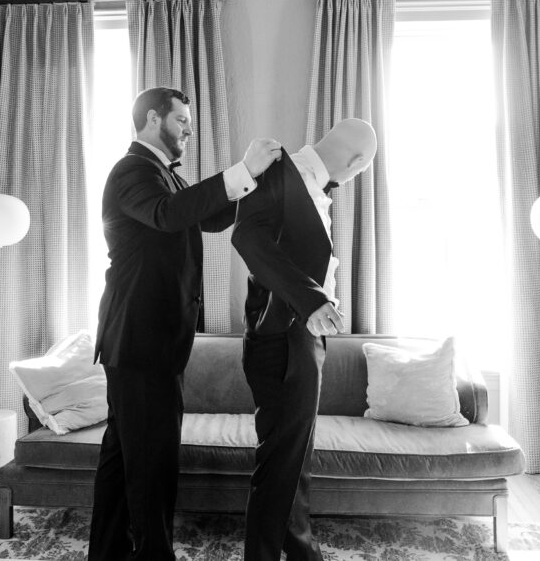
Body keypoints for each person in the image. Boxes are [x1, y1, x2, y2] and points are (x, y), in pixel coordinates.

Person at [89, 86, 282, 560]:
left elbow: (206, 216)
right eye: (182, 121)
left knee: (124, 455)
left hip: (150, 342)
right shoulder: (132, 170)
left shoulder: (164, 175)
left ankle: (108, 553)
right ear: (153, 119)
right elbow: (168, 215)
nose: (189, 132)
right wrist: (241, 171)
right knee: (151, 463)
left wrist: (255, 182)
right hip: (139, 342)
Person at [231, 117, 377, 561]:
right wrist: (312, 299)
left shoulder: (312, 185)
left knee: (294, 462)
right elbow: (247, 237)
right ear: (356, 160)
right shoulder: (278, 170)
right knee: (281, 464)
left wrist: (319, 302)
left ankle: (301, 553)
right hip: (281, 339)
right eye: (362, 169)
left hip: (302, 339)